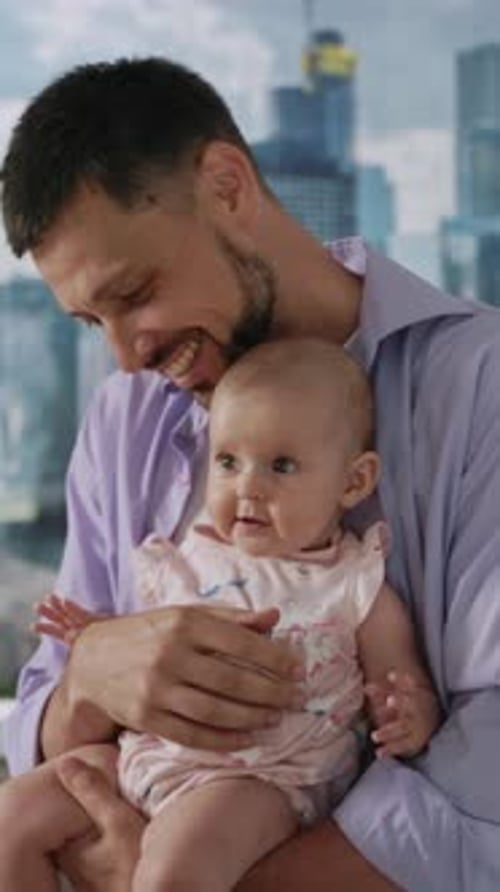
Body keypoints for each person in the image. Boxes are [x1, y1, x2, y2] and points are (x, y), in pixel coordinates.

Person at [1, 55, 500, 892]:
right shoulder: (127, 418)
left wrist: (184, 877)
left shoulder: (482, 388)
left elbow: (487, 781)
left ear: (228, 186)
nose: (126, 358)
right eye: (93, 322)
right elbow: (48, 714)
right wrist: (93, 678)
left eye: (135, 292)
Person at [0, 339, 440, 892]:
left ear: (353, 482)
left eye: (281, 465)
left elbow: (403, 680)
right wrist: (92, 635)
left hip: (260, 781)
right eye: (228, 461)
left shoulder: (353, 583)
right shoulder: (188, 553)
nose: (248, 487)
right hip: (145, 756)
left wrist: (410, 715)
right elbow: (138, 647)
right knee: (12, 814)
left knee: (170, 874)